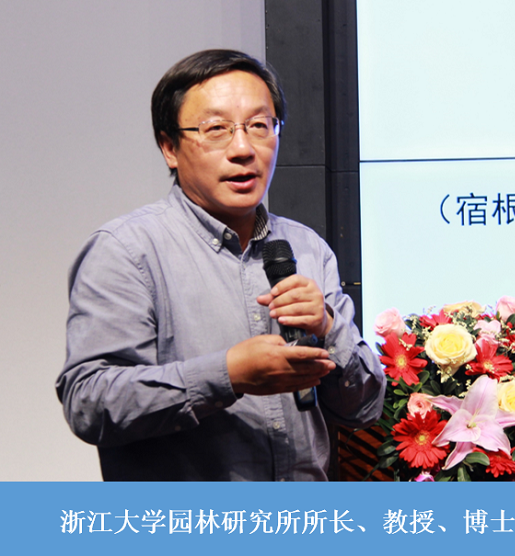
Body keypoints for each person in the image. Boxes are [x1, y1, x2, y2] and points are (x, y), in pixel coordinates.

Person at [56, 49, 385, 481]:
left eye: (260, 126)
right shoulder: (126, 251)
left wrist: (328, 327)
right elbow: (90, 404)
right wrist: (228, 374)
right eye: (216, 130)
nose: (243, 149)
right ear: (170, 147)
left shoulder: (307, 248)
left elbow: (365, 409)